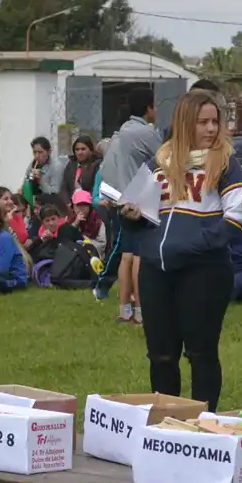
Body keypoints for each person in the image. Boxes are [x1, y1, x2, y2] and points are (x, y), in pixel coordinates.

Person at [122, 89, 242, 411]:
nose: (210, 129)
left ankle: (203, 423)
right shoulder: (157, 163)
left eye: (214, 122)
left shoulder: (226, 164)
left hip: (204, 270)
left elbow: (238, 217)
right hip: (155, 270)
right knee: (161, 355)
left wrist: (199, 245)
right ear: (183, 123)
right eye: (202, 122)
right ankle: (167, 422)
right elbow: (137, 218)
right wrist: (130, 215)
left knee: (201, 352)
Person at [99, 88, 160, 323]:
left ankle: (124, 310)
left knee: (126, 255)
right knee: (139, 256)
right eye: (154, 106)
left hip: (117, 198)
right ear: (148, 108)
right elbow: (165, 158)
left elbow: (105, 167)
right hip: (139, 201)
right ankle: (141, 313)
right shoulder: (146, 132)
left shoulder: (121, 132)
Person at [21, 136, 66, 204]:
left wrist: (40, 181)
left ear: (49, 152)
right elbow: (26, 183)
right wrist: (23, 188)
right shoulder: (32, 165)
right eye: (34, 152)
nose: (36, 156)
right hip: (34, 202)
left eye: (40, 152)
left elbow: (55, 193)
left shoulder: (57, 167)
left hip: (52, 205)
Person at [61, 136, 101, 204]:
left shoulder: (97, 165)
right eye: (77, 149)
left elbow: (95, 189)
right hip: (71, 203)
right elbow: (64, 186)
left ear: (91, 150)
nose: (80, 152)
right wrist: (67, 203)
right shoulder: (71, 164)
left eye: (83, 149)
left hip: (88, 203)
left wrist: (83, 202)